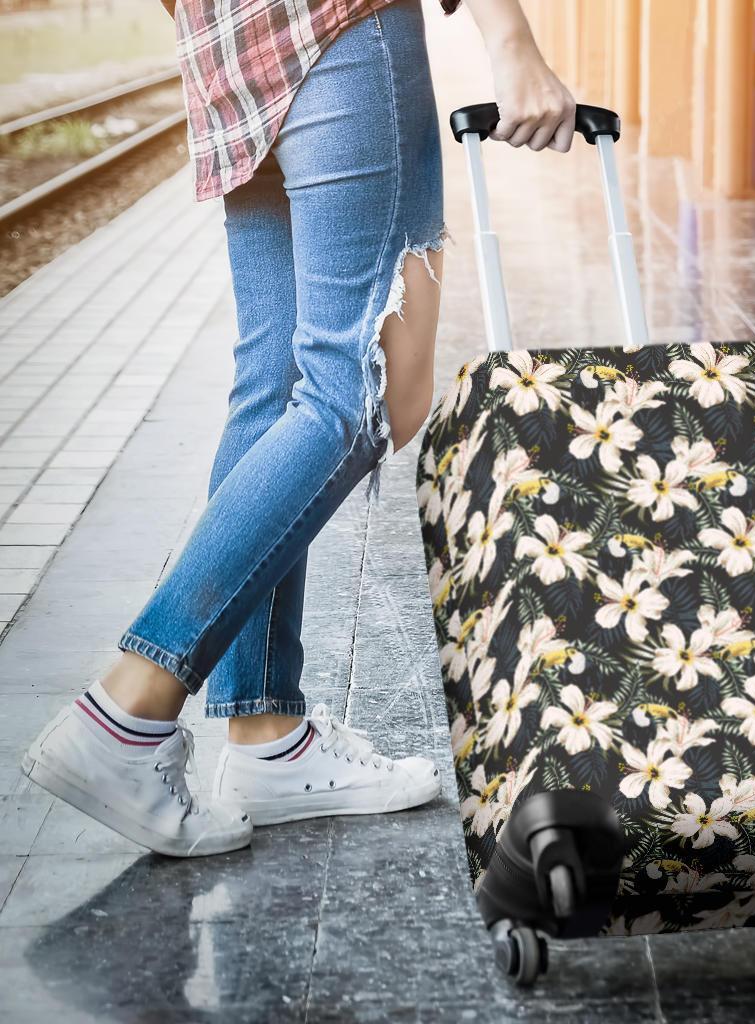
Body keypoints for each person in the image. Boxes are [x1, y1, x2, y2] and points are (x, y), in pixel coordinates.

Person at [22, 0, 576, 857]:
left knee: (277, 384)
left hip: (227, 49)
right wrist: (512, 42)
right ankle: (128, 708)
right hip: (341, 28)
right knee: (362, 392)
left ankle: (266, 735)